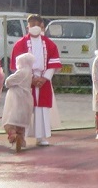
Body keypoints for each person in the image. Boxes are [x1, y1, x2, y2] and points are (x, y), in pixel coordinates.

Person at [10, 14, 61, 146]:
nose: (35, 27)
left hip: (44, 79)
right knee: (24, 108)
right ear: (28, 26)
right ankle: (22, 136)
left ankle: (41, 136)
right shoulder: (20, 43)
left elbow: (53, 63)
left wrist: (44, 79)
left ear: (42, 26)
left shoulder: (50, 44)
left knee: (41, 108)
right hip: (26, 80)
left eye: (38, 25)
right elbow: (17, 65)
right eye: (32, 25)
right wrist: (30, 78)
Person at [3, 52, 36, 152]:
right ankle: (21, 139)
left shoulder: (21, 72)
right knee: (22, 120)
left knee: (11, 118)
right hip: (27, 97)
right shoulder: (30, 73)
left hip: (16, 97)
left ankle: (13, 136)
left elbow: (8, 81)